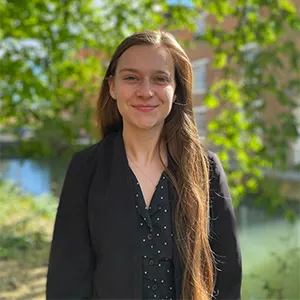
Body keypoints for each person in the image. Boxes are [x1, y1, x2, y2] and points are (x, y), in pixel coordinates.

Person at [46, 30, 242, 300]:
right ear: (112, 87)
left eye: (160, 79)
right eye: (131, 78)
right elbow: (67, 280)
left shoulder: (206, 169)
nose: (146, 91)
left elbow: (228, 280)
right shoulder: (85, 168)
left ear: (176, 90)